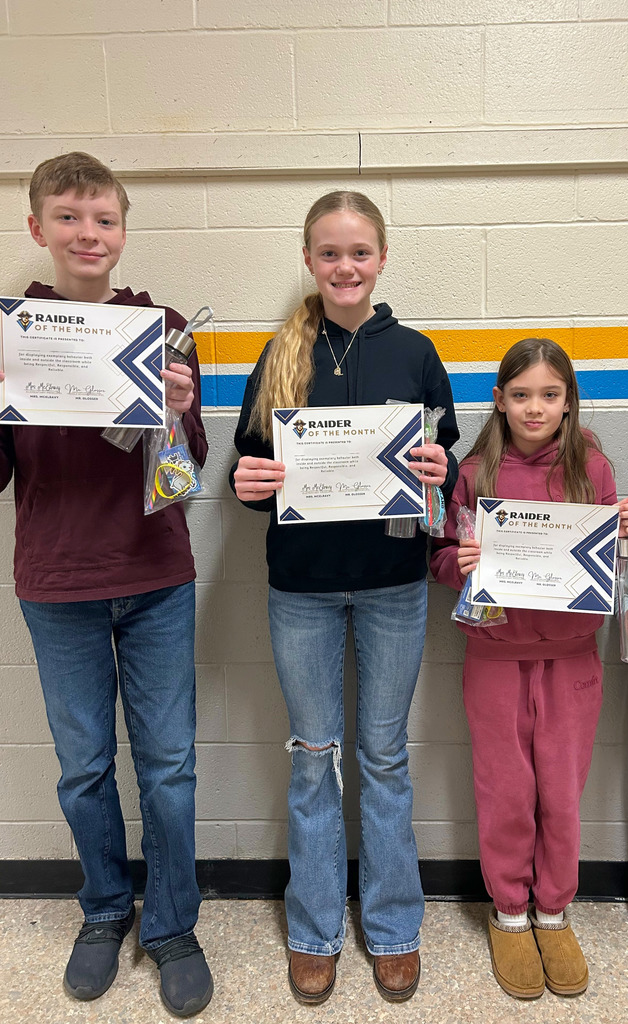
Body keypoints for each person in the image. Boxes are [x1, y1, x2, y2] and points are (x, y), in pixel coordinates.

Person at [231, 190, 459, 1005]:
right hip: (302, 588)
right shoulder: (280, 353)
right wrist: (247, 485)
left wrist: (441, 473)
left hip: (395, 585)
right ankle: (314, 930)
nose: (345, 266)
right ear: (309, 260)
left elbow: (445, 472)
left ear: (382, 258)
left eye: (359, 252)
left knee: (385, 758)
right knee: (313, 758)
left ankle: (393, 927)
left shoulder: (417, 353)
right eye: (329, 253)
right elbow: (248, 471)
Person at [0, 153, 212, 1017]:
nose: (88, 234)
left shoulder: (165, 327)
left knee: (169, 767)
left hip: (156, 576)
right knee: (84, 768)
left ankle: (172, 925)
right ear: (37, 228)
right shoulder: (10, 332)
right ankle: (103, 910)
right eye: (68, 217)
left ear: (123, 231)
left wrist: (178, 412)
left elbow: (188, 472)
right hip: (56, 585)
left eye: (104, 220)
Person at [430, 338, 628, 1001]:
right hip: (494, 658)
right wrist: (457, 562)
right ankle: (510, 913)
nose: (535, 408)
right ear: (499, 400)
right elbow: (439, 557)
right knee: (506, 789)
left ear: (569, 401)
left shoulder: (593, 471)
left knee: (561, 789)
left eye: (550, 395)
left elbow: (615, 571)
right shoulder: (474, 474)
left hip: (572, 658)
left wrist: (626, 534)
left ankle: (553, 910)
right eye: (520, 395)